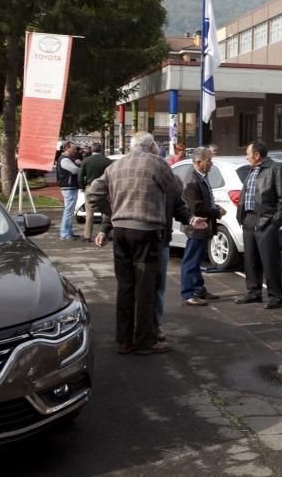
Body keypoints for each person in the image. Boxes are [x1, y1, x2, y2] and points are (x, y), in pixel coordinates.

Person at [87, 131, 207, 355]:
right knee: (146, 288)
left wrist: (113, 212)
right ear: (151, 146)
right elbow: (175, 190)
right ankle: (145, 341)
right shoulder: (156, 163)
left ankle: (124, 340)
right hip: (146, 231)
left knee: (125, 287)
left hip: (121, 232)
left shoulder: (115, 166)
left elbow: (94, 193)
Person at [97, 173, 194, 343]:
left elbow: (178, 206)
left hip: (159, 240)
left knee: (154, 287)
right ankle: (138, 335)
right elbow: (114, 204)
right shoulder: (131, 179)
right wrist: (104, 228)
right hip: (138, 239)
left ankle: (151, 327)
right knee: (134, 287)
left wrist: (191, 219)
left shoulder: (165, 180)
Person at [234, 139, 282, 309]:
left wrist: (275, 223)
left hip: (266, 221)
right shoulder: (253, 170)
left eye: (248, 155)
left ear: (257, 155)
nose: (247, 158)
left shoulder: (276, 169)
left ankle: (275, 297)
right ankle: (253, 293)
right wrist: (243, 217)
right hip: (249, 219)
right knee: (250, 260)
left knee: (270, 261)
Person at [180, 147, 226, 306]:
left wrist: (215, 208)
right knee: (191, 261)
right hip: (196, 227)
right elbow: (197, 208)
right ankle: (188, 293)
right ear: (199, 162)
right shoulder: (192, 181)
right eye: (209, 161)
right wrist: (217, 212)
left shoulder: (200, 177)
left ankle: (199, 290)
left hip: (202, 225)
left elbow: (204, 201)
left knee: (197, 259)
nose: (211, 164)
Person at [78, 142, 112, 241]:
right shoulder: (107, 161)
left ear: (92, 150)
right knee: (106, 211)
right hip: (105, 187)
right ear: (101, 150)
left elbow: (80, 176)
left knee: (89, 213)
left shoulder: (86, 161)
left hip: (90, 186)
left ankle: (87, 236)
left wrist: (82, 187)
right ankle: (106, 233)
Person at [56, 141, 80, 241]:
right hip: (68, 187)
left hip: (70, 187)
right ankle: (65, 234)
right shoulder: (65, 160)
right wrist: (79, 166)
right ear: (67, 148)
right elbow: (75, 170)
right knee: (68, 211)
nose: (75, 151)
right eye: (73, 149)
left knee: (69, 211)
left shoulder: (67, 159)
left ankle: (68, 232)